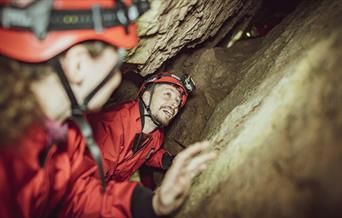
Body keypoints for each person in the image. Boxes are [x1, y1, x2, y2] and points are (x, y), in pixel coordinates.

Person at [0, 0, 216, 218]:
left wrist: (153, 202)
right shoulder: (106, 127)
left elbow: (77, 196)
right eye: (115, 68)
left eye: (178, 101)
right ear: (78, 65)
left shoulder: (66, 136)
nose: (116, 81)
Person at [88, 72, 196, 189]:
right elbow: (90, 183)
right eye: (167, 94)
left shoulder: (157, 135)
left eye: (177, 102)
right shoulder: (112, 126)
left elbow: (147, 153)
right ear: (146, 96)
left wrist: (167, 160)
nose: (173, 105)